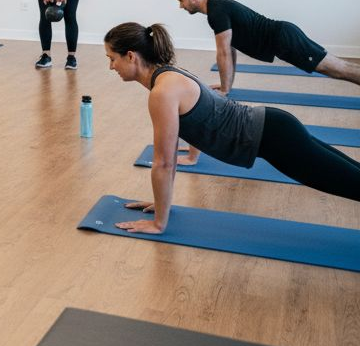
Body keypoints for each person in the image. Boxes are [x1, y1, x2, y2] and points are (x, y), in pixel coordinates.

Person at [104, 22, 360, 234]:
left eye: (112, 59)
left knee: (350, 184)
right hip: (275, 128)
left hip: (273, 138)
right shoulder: (168, 75)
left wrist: (159, 224)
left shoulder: (162, 92)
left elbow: (163, 163)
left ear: (131, 56)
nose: (110, 66)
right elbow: (175, 146)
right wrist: (162, 207)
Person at [173, 0, 360, 90]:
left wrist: (224, 90)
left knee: (336, 69)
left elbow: (223, 53)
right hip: (284, 36)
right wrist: (226, 87)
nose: (180, 6)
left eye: (181, 1)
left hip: (284, 39)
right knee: (338, 66)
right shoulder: (218, 7)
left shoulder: (216, 13)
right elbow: (230, 50)